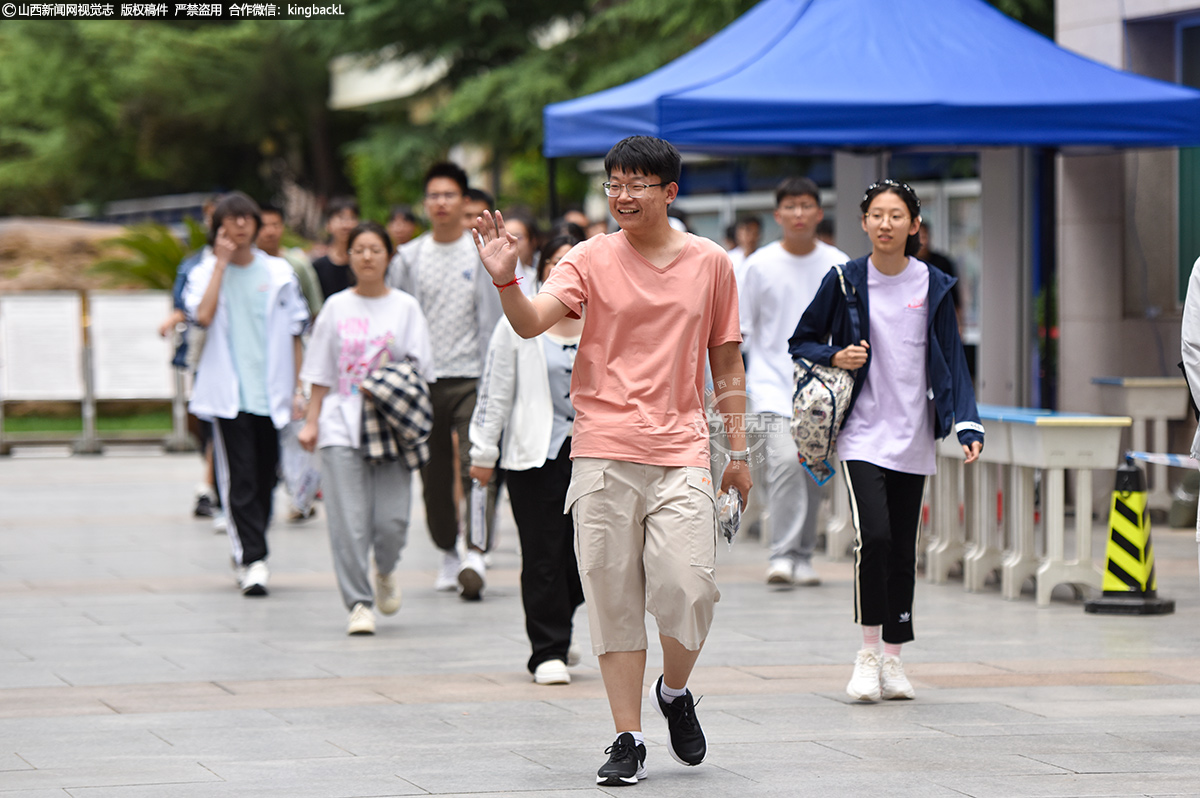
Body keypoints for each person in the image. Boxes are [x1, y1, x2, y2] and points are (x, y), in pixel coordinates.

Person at [472, 135, 751, 786]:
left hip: (681, 446)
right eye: (613, 184)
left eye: (637, 185)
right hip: (601, 448)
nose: (622, 195)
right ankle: (627, 737)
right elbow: (530, 321)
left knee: (689, 586)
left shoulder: (711, 263)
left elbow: (727, 361)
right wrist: (506, 277)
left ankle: (675, 693)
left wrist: (738, 449)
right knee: (612, 595)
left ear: (669, 192)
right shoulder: (587, 259)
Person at [789, 180, 983, 702]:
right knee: (872, 537)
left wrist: (967, 421)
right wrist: (835, 356)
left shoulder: (934, 284)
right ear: (864, 221)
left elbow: (952, 359)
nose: (886, 223)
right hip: (860, 433)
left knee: (902, 549)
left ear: (914, 225)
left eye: (897, 215)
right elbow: (800, 339)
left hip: (914, 433)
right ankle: (867, 652)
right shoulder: (847, 281)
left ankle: (895, 659)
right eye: (876, 214)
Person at [298, 221, 435, 635]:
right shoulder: (336, 308)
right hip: (340, 424)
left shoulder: (405, 307)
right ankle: (358, 603)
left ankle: (386, 569)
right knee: (348, 521)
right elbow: (320, 372)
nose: (368, 256)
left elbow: (422, 370)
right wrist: (310, 421)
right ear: (350, 255)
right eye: (359, 249)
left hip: (390, 424)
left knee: (391, 521)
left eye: (376, 249)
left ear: (389, 256)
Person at [469, 233, 585, 685]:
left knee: (586, 557)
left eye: (572, 263)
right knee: (541, 554)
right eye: (555, 263)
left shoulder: (606, 318)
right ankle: (547, 650)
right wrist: (484, 450)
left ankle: (561, 619)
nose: (564, 271)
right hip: (533, 457)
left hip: (594, 453)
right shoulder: (519, 320)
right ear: (542, 268)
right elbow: (495, 390)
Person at [184, 192, 311, 596]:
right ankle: (252, 558)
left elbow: (296, 332)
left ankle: (251, 549)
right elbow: (201, 317)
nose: (239, 226)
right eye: (230, 219)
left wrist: (297, 388)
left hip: (270, 393)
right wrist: (220, 265)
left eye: (246, 218)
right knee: (239, 477)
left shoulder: (278, 273)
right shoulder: (204, 272)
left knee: (265, 475)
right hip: (228, 395)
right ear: (217, 227)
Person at [386, 162, 501, 598]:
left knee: (478, 463)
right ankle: (447, 549)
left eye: (449, 195)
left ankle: (475, 550)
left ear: (464, 202)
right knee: (432, 472)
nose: (440, 203)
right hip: (423, 381)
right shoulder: (409, 258)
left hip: (474, 377)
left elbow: (495, 318)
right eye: (433, 195)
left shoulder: (482, 253)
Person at [739, 177, 849, 587]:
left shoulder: (838, 263)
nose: (799, 214)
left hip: (823, 390)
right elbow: (742, 329)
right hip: (771, 385)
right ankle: (782, 554)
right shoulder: (758, 265)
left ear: (819, 213)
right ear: (778, 214)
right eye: (791, 206)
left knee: (813, 471)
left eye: (806, 206)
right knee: (785, 462)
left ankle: (803, 555)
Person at [257, 204, 323, 319]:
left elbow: (315, 309)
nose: (270, 231)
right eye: (264, 226)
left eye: (275, 225)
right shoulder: (246, 265)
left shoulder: (298, 265)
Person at [312, 197, 360, 300]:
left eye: (352, 218)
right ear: (328, 225)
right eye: (341, 218)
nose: (347, 224)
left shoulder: (363, 262)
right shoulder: (318, 266)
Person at [500, 207, 541, 297]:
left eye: (518, 237)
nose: (510, 243)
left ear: (533, 241)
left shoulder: (541, 275)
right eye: (505, 238)